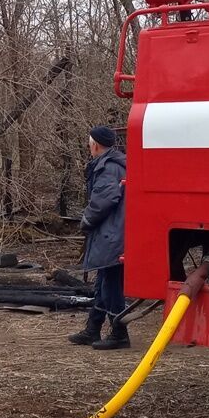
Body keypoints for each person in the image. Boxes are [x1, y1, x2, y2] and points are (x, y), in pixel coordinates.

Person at [69, 125, 128, 350]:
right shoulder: (114, 164)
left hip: (112, 233)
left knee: (111, 283)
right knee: (103, 280)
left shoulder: (108, 168)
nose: (88, 145)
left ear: (95, 144)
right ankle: (93, 329)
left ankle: (119, 332)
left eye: (89, 142)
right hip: (114, 232)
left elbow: (103, 200)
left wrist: (86, 220)